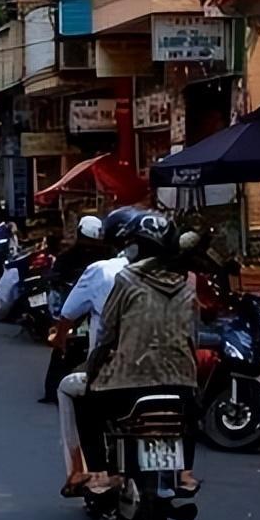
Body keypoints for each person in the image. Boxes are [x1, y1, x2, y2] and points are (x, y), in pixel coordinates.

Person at [80, 210, 199, 496]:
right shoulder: (187, 285)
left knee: (87, 407)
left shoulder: (127, 279)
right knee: (189, 417)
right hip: (181, 383)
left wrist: (93, 367)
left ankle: (102, 474)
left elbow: (107, 332)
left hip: (126, 384)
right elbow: (192, 336)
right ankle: (185, 473)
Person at [51, 207, 137, 491]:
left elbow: (68, 314)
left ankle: (84, 470)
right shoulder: (177, 277)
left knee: (70, 389)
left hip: (117, 374)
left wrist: (62, 341)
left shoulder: (105, 272)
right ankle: (184, 472)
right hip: (174, 378)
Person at [41, 215, 109, 403]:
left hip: (88, 310)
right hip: (79, 307)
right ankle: (52, 389)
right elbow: (55, 279)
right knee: (61, 342)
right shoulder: (102, 257)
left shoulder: (105, 259)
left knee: (61, 341)